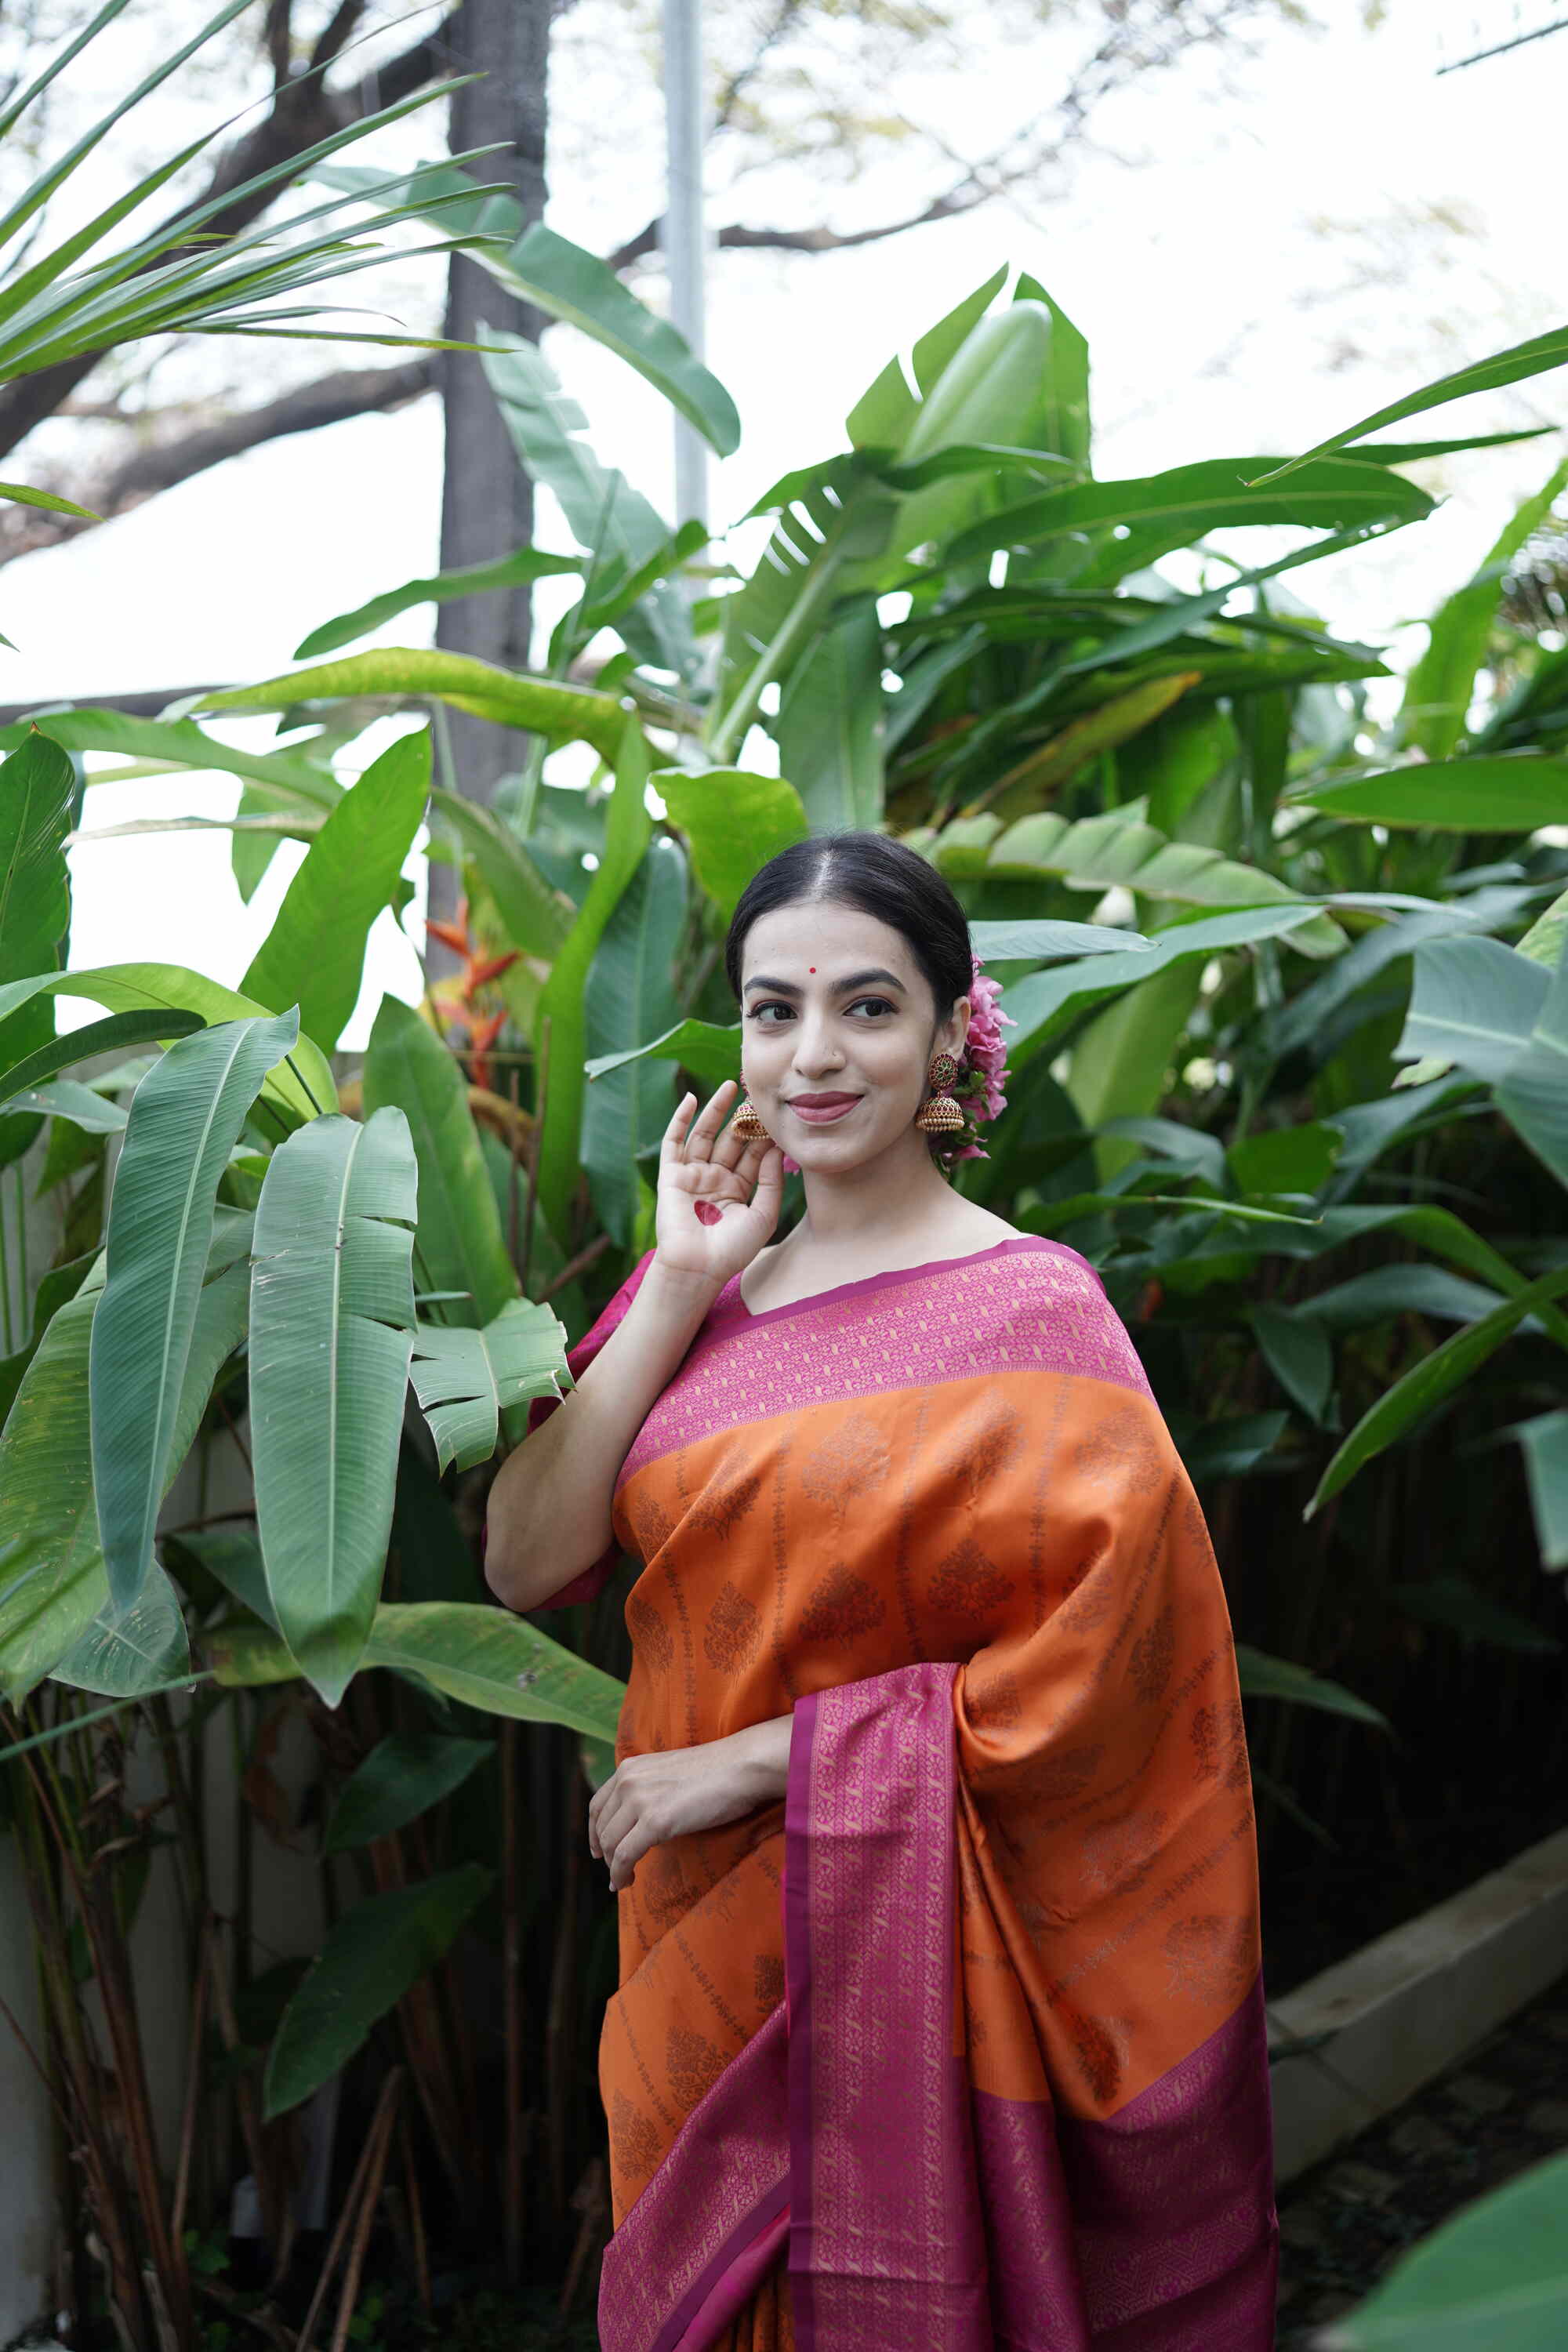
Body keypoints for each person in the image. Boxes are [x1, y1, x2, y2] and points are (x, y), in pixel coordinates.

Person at [483, 832, 1278, 2352]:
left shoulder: (1036, 1313)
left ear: (945, 1044)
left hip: (920, 1949)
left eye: (866, 1007)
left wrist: (755, 1763)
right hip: (698, 1954)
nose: (813, 1055)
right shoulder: (699, 1306)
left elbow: (1111, 1679)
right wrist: (675, 1280)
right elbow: (524, 1557)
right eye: (775, 1012)